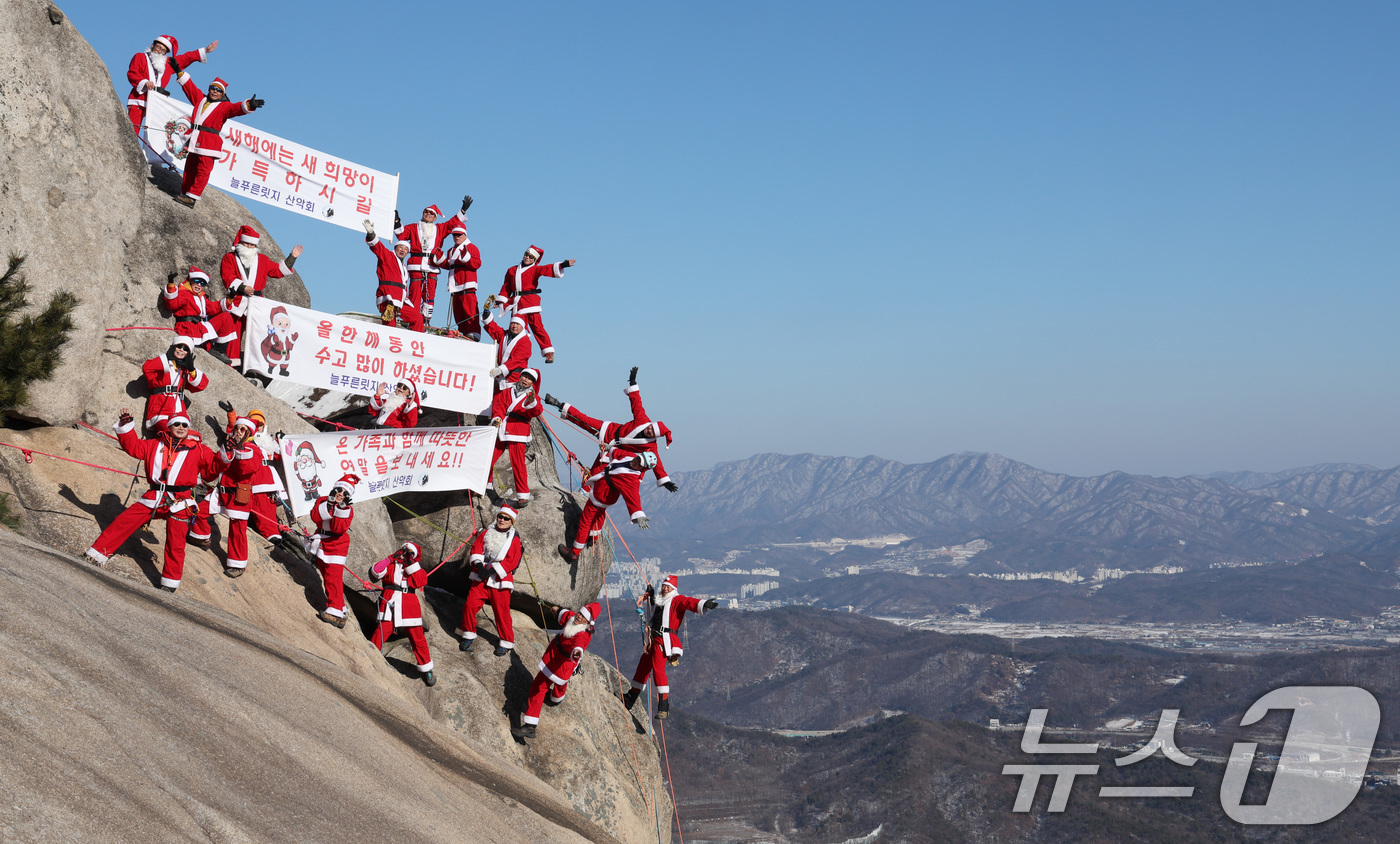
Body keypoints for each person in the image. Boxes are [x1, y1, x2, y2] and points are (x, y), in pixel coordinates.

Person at [85, 411, 220, 592]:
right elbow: (133, 447)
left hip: (181, 501)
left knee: (175, 543)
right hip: (154, 497)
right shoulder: (154, 444)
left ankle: (169, 583)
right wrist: (127, 428)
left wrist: (227, 453)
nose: (181, 427)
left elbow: (212, 471)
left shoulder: (200, 450)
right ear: (169, 426)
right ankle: (97, 554)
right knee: (122, 522)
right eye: (177, 424)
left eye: (184, 425)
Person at [545, 366, 679, 493]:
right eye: (650, 428)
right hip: (609, 430)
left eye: (651, 432)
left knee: (596, 472)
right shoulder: (643, 419)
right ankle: (557, 403)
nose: (649, 430)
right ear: (650, 424)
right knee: (584, 420)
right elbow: (636, 402)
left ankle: (584, 494)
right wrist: (633, 382)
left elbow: (657, 464)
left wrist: (665, 481)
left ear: (654, 436)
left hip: (611, 449)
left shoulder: (651, 447)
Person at [623, 576, 719, 719]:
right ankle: (630, 697)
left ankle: (663, 707)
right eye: (663, 586)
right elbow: (656, 608)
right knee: (643, 667)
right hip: (653, 639)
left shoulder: (677, 599)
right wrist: (651, 594)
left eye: (667, 587)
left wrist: (703, 604)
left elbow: (688, 602)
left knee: (658, 669)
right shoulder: (662, 600)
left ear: (673, 589)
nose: (664, 589)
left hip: (663, 640)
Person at [173, 74, 264, 207]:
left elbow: (236, 108)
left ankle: (192, 197)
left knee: (203, 170)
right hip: (195, 139)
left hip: (209, 142)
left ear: (223, 94)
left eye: (219, 90)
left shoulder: (224, 106)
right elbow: (190, 88)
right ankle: (185, 192)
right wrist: (178, 71)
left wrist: (250, 104)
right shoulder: (201, 99)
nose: (215, 91)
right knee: (190, 168)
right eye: (213, 88)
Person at [512, 602, 601, 740]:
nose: (579, 616)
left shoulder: (583, 635)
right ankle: (556, 698)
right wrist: (557, 610)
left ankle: (530, 725)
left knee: (538, 686)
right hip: (563, 662)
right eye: (580, 613)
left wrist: (577, 652)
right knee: (561, 682)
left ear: (589, 622)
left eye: (583, 616)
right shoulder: (573, 618)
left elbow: (578, 646)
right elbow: (565, 615)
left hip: (559, 662)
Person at [220, 225, 302, 366]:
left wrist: (292, 258)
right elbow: (227, 276)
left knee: (258, 334)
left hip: (257, 302)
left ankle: (255, 366)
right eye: (246, 244)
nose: (249, 247)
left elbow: (277, 271)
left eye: (252, 245)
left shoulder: (262, 259)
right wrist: (243, 287)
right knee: (233, 333)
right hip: (237, 300)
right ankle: (230, 365)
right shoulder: (229, 258)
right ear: (241, 243)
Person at [558, 448, 656, 564]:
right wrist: (609, 448)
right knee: (600, 514)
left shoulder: (632, 479)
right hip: (604, 496)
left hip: (601, 496)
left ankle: (574, 553)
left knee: (585, 522)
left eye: (639, 464)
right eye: (638, 458)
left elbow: (633, 497)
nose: (636, 462)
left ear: (643, 468)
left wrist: (638, 514)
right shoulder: (629, 456)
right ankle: (593, 537)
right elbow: (616, 452)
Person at [217, 402, 287, 545]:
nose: (259, 426)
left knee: (267, 509)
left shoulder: (270, 442)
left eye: (261, 423)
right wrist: (231, 414)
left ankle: (272, 534)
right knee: (251, 508)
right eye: (256, 422)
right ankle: (266, 533)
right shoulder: (245, 437)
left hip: (267, 482)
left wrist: (283, 440)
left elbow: (283, 455)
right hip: (250, 480)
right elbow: (234, 430)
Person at [456, 506, 522, 656]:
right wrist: (479, 566)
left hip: (500, 579)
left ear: (511, 521)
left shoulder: (515, 539)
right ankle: (468, 633)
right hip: (480, 576)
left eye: (506, 518)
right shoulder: (486, 532)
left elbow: (512, 560)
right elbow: (476, 549)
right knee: (469, 606)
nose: (502, 520)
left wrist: (492, 570)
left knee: (501, 613)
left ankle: (506, 641)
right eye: (500, 517)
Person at [368, 541, 436, 686]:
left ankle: (426, 668)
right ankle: (370, 656)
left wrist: (411, 563)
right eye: (404, 550)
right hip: (389, 600)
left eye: (410, 552)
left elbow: (420, 581)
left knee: (417, 637)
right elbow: (375, 571)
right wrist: (390, 558)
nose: (405, 554)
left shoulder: (415, 569)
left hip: (409, 603)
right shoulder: (392, 565)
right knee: (381, 630)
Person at [394, 196, 471, 323]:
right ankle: (411, 318)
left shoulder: (440, 228)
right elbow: (401, 235)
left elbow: (452, 223)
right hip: (416, 264)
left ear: (435, 217)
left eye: (431, 213)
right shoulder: (413, 227)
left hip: (432, 264)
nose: (427, 214)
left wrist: (462, 210)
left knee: (430, 293)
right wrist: (396, 220)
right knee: (414, 292)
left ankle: (425, 319)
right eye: (426, 212)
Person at [498, 246, 576, 364]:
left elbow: (547, 269)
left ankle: (548, 352)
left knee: (537, 327)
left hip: (530, 302)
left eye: (531, 257)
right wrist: (501, 301)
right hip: (517, 303)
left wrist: (563, 265)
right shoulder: (512, 270)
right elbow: (506, 287)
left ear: (534, 259)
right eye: (526, 255)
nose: (527, 258)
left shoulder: (535, 269)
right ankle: (513, 353)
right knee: (515, 330)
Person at [125, 35, 215, 134]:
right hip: (139, 100)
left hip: (157, 102)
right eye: (158, 47)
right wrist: (145, 82)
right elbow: (132, 74)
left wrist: (205, 50)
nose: (159, 51)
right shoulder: (140, 57)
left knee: (155, 132)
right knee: (133, 129)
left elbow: (185, 58)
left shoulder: (167, 63)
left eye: (163, 50)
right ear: (152, 45)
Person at [305, 474, 359, 628]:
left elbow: (338, 528)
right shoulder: (322, 500)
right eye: (339, 490)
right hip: (322, 541)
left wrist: (341, 509)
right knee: (326, 575)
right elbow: (316, 517)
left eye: (345, 493)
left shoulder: (348, 510)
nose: (341, 494)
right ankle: (341, 609)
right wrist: (329, 504)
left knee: (332, 578)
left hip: (337, 544)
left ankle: (335, 611)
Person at [211, 415, 262, 578]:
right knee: (200, 510)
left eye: (242, 430)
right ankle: (200, 537)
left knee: (237, 529)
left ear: (249, 433)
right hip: (221, 491)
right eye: (236, 429)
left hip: (239, 496)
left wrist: (236, 450)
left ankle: (237, 563)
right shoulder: (233, 443)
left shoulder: (254, 450)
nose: (238, 432)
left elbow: (244, 469)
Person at [490, 368, 542, 508]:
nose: (525, 380)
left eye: (529, 378)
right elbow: (499, 406)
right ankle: (484, 484)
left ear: (533, 382)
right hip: (503, 427)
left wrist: (532, 402)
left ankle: (522, 495)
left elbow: (536, 411)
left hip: (519, 430)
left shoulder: (533, 397)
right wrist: (497, 417)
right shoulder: (508, 391)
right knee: (490, 456)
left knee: (518, 463)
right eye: (524, 376)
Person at [363, 220, 423, 333]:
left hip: (401, 299)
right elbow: (377, 247)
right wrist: (371, 234)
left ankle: (419, 343)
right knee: (389, 325)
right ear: (395, 248)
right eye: (400, 247)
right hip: (388, 296)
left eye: (406, 249)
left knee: (417, 318)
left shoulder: (404, 268)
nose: (403, 250)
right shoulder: (388, 256)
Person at [163, 267, 239, 355]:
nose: (199, 285)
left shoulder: (201, 297)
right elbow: (172, 304)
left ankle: (219, 350)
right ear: (191, 281)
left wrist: (230, 298)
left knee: (226, 317)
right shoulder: (184, 293)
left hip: (199, 326)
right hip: (187, 327)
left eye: (202, 283)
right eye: (196, 282)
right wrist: (171, 284)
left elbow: (214, 308)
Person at [141, 336, 208, 433]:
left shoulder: (184, 370)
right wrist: (166, 357)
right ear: (173, 347)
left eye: (185, 349)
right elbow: (147, 368)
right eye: (179, 346)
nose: (181, 350)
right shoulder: (163, 364)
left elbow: (201, 385)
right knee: (168, 430)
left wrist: (192, 369)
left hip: (178, 409)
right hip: (161, 407)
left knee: (190, 435)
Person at [434, 225, 482, 339]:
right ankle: (462, 333)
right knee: (458, 313)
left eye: (459, 235)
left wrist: (466, 258)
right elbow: (449, 265)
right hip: (455, 285)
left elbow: (477, 264)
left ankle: (474, 333)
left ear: (465, 235)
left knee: (470, 311)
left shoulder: (472, 247)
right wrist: (440, 258)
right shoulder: (451, 250)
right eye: (454, 235)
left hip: (467, 285)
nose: (456, 237)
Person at [483, 304, 533, 392]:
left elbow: (517, 359)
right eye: (513, 323)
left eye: (518, 324)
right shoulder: (505, 335)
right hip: (500, 377)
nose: (514, 326)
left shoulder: (525, 342)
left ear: (522, 326)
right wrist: (486, 313)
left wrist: (501, 369)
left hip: (514, 378)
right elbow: (494, 329)